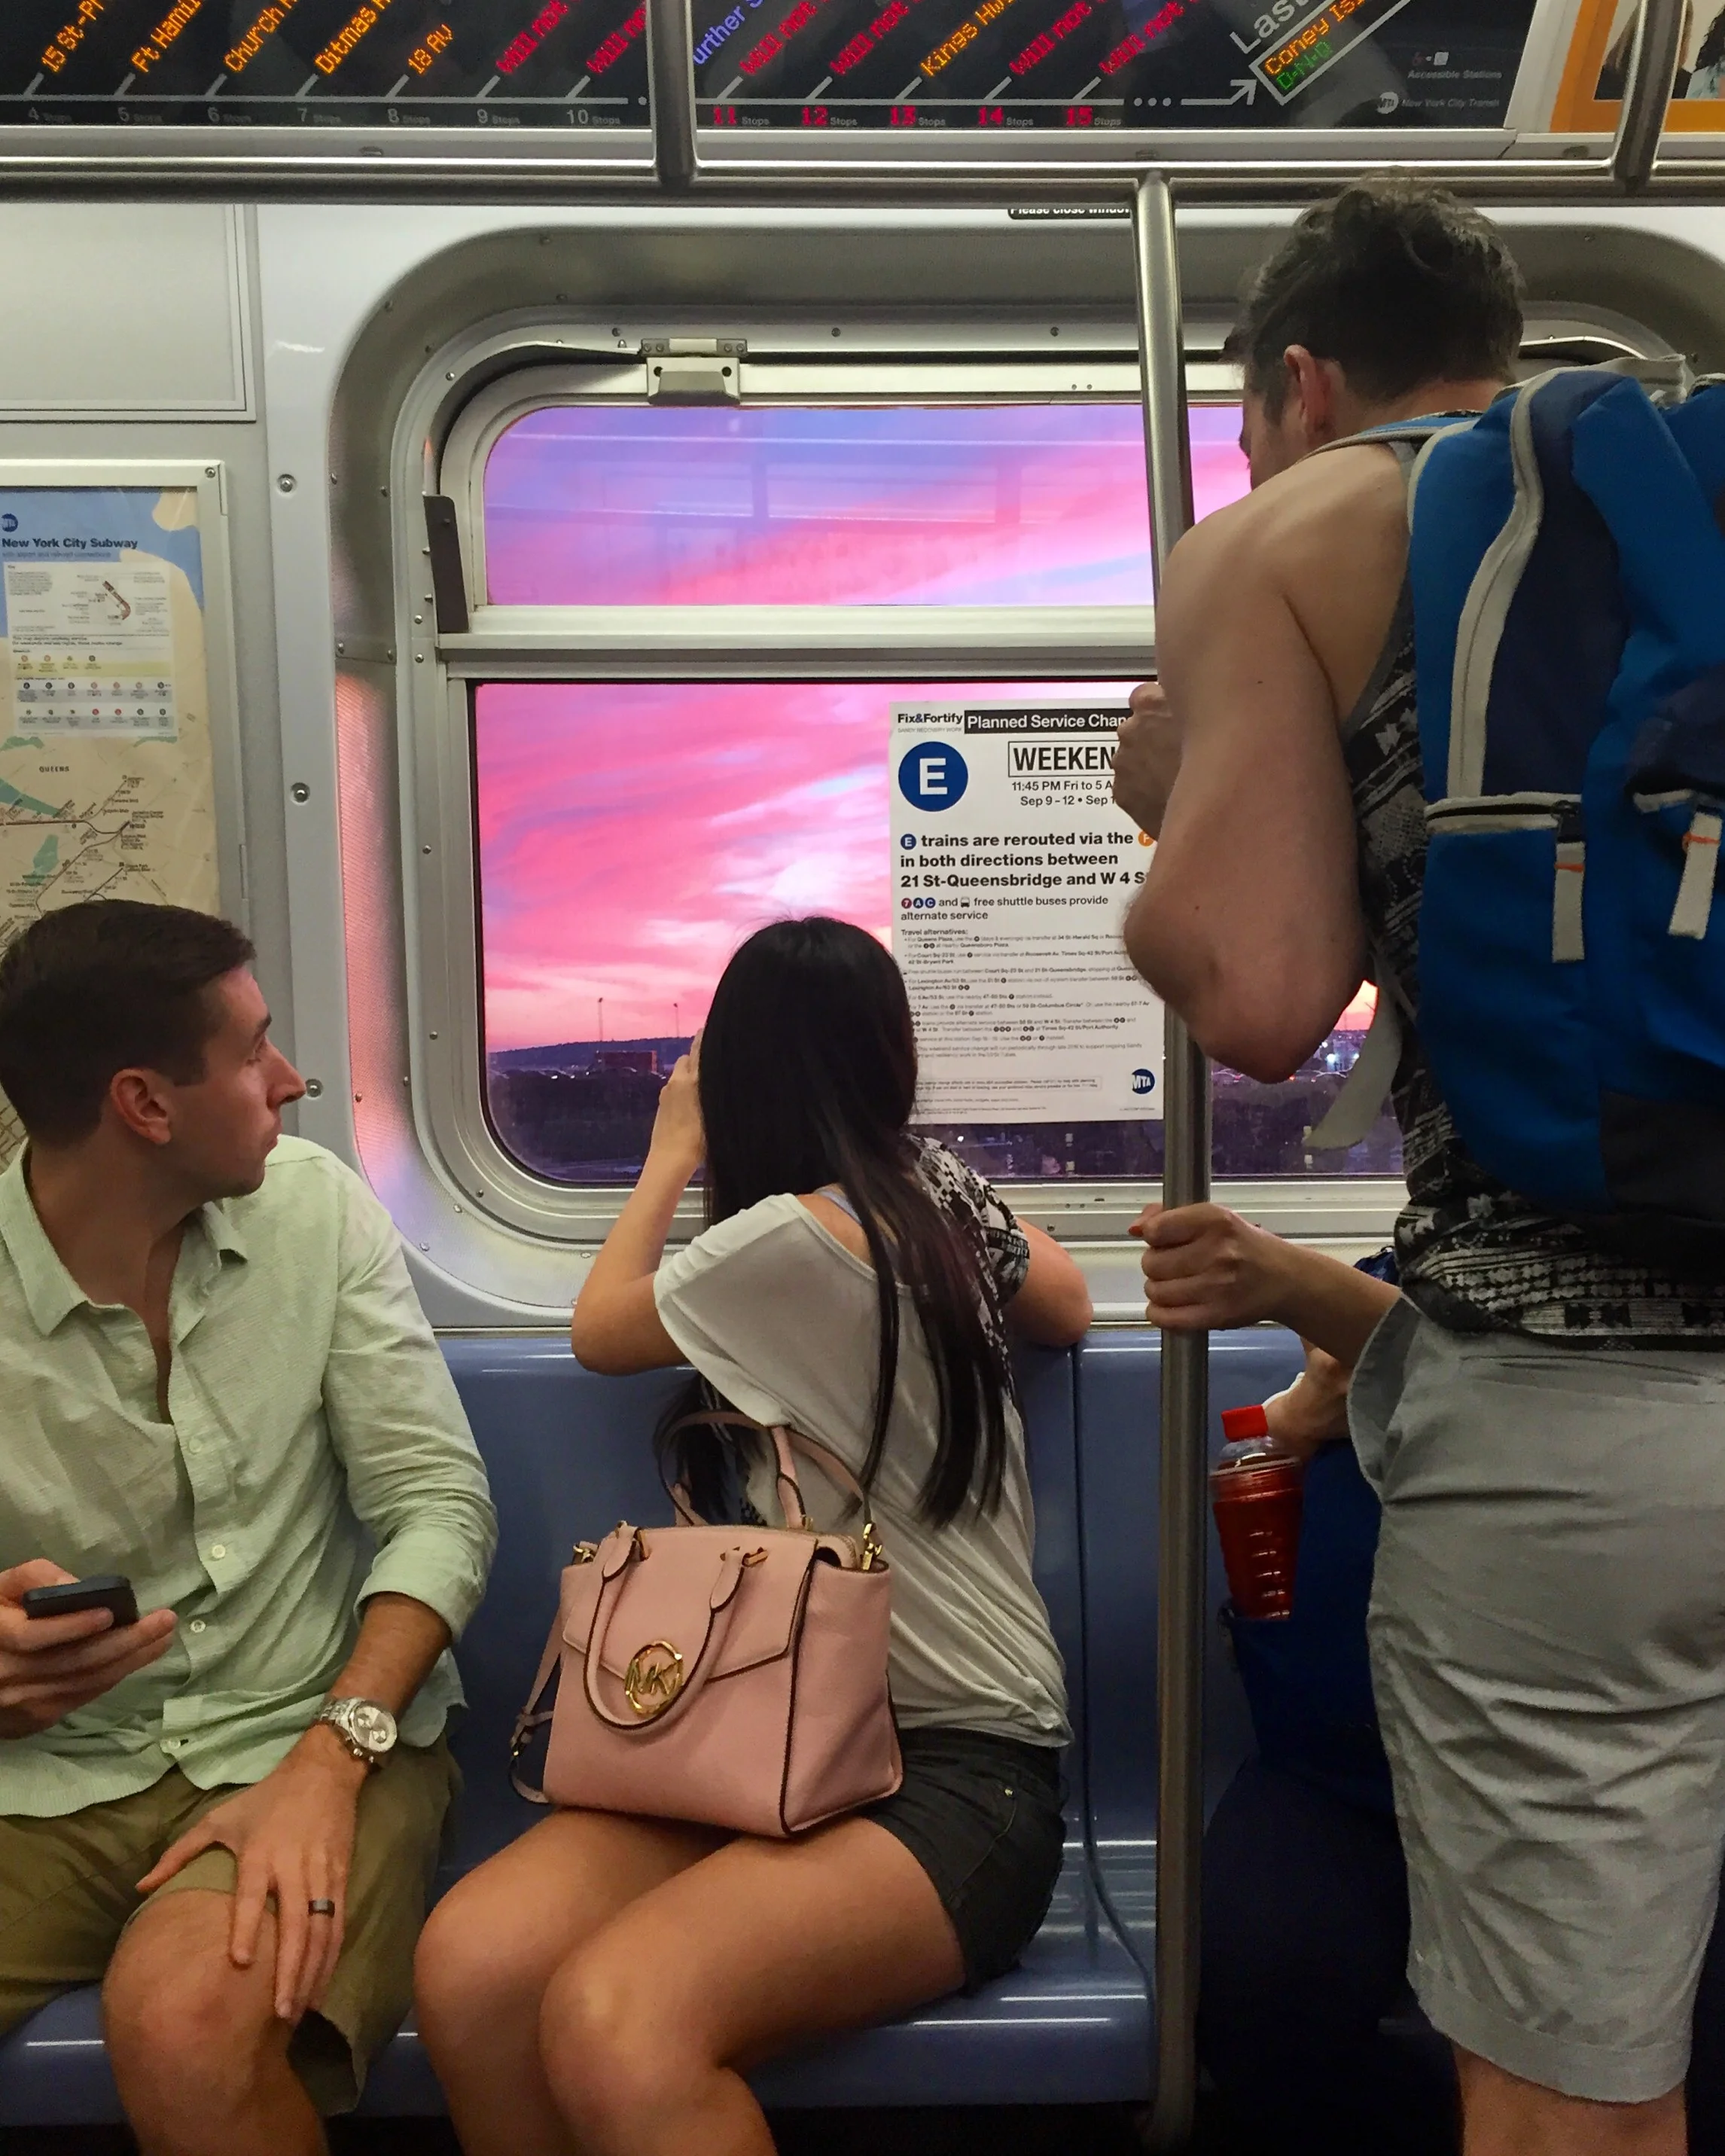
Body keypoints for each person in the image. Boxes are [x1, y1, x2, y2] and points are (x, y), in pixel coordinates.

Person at [1116, 176, 1725, 2155]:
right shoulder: (1679, 510)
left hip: (1583, 1414)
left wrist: (1168, 808)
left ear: (1296, 381)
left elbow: (1266, 998)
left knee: (1569, 2093)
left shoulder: (1295, 535)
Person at [415, 915, 1093, 2156]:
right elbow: (1067, 1299)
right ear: (890, 1065)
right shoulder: (938, 1203)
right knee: (471, 1966)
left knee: (613, 2021)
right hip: (767, 1741)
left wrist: (673, 1146)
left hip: (959, 1770)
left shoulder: (778, 1243)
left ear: (733, 1078)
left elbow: (600, 1327)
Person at [0, 898, 496, 2156]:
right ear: (145, 1105)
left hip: (311, 1729)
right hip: (53, 1772)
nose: (294, 1077)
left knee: (185, 2018)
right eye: (256, 1050)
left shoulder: (314, 1211)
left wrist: (334, 1753)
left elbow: (437, 1500)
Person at [1141, 1202, 1725, 2156]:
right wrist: (1295, 1413)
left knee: (1666, 2015)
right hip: (1340, 1779)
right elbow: (1378, 1358)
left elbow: (1425, 1351)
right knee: (1257, 1983)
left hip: (1616, 1776)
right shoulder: (1418, 1279)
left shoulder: (1655, 1303)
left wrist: (1289, 1287)